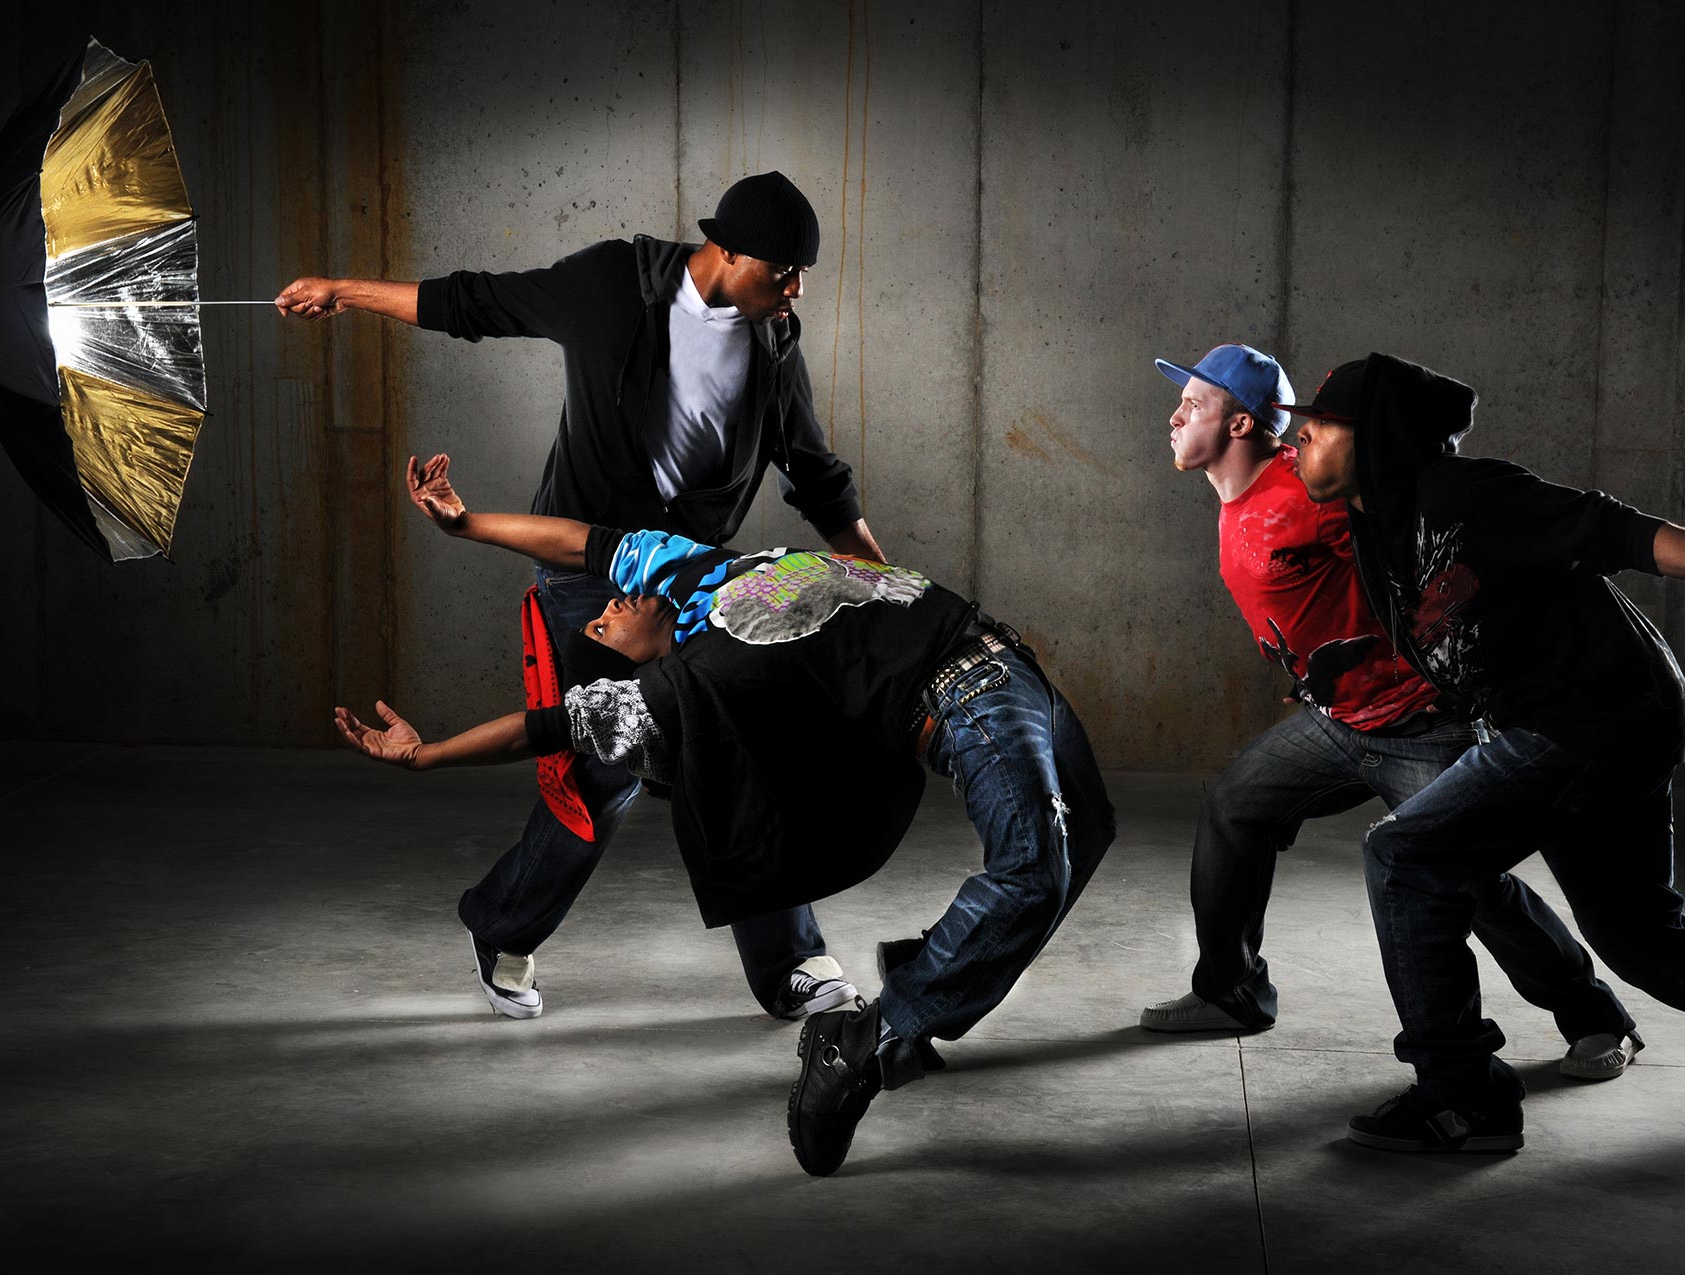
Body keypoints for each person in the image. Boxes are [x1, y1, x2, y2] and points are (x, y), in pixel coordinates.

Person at [335, 456, 1115, 1177]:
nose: (610, 605)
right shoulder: (685, 684)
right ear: (626, 658)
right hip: (964, 695)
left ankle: (929, 974)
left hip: (1002, 653)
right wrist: (427, 754)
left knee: (1088, 828)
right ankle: (864, 1041)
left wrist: (465, 523)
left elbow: (579, 542)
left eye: (608, 602)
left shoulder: (683, 569)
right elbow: (544, 727)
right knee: (1031, 871)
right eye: (603, 624)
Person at [277, 172, 884, 1022]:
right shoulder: (610, 285)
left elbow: (815, 472)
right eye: (784, 272)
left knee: (729, 743)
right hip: (582, 568)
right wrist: (342, 290)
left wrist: (885, 583)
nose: (796, 291)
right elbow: (475, 301)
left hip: (685, 577)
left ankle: (790, 961)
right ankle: (501, 922)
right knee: (604, 765)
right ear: (730, 252)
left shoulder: (775, 341)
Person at [1281, 351, 1685, 1151]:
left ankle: (1462, 1099)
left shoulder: (1464, 493)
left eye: (1321, 422)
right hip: (1582, 717)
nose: (1300, 434)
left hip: (1596, 714)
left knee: (1405, 855)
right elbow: (1454, 631)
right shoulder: (1377, 527)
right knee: (1645, 943)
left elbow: (1612, 528)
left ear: (1376, 435)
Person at [1135, 344, 1640, 1079]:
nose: (1175, 416)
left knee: (1465, 879)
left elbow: (1412, 545)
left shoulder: (1308, 492)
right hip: (1338, 721)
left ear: (1241, 423)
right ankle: (1231, 990)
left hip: (1419, 723)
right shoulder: (1239, 497)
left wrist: (1446, 647)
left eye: (1194, 403)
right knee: (1234, 807)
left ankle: (1597, 1018)